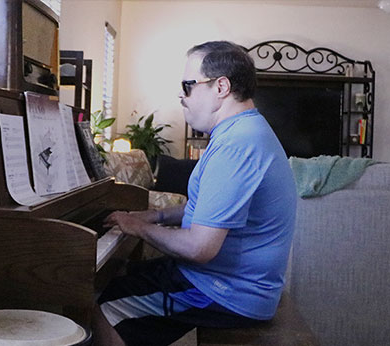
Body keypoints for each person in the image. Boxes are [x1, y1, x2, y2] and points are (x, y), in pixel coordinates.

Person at [94, 41, 298, 346]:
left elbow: (200, 248)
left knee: (97, 303)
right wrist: (155, 215)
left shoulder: (236, 145)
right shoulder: (242, 132)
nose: (181, 94)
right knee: (121, 276)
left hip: (227, 291)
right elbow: (207, 209)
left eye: (188, 85)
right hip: (229, 282)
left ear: (221, 87)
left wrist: (139, 227)